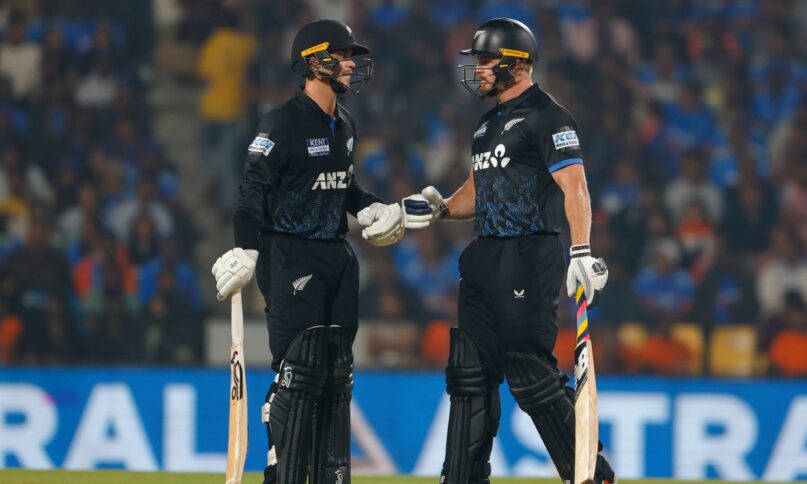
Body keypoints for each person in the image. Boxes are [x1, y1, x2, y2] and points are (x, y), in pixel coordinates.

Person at [364, 17, 615, 484]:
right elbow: (476, 194)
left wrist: (581, 249)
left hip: (527, 256)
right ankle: (460, 477)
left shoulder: (549, 116)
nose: (477, 70)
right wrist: (436, 208)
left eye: (486, 60)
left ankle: (589, 474)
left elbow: (574, 186)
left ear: (518, 64)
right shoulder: (486, 126)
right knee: (469, 375)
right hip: (483, 259)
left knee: (528, 371)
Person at [210, 19, 403, 484]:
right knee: (299, 372)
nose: (352, 63)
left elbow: (343, 187)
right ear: (315, 61)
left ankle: (328, 474)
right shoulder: (281, 122)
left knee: (337, 372)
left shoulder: (346, 124)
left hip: (336, 256)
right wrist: (247, 251)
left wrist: (373, 208)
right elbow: (252, 192)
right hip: (290, 257)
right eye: (343, 54)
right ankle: (284, 471)